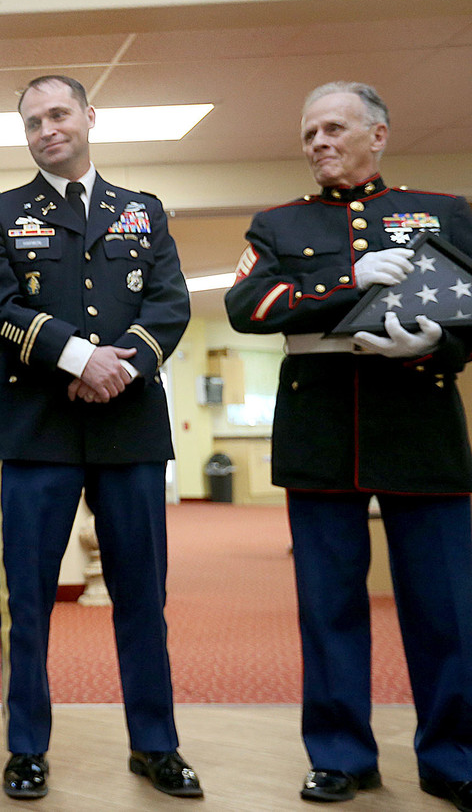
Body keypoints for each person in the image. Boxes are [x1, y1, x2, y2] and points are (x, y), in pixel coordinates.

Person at [225, 81, 472, 811]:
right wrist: (345, 279)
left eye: (335, 128)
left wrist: (438, 344)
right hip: (323, 435)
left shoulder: (446, 213)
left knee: (446, 609)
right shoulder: (277, 224)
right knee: (329, 606)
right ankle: (339, 756)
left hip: (422, 431)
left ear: (379, 134)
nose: (320, 143)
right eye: (309, 134)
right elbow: (250, 305)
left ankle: (453, 755)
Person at [0, 75, 199, 801]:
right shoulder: (0, 213)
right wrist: (77, 357)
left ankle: (156, 744)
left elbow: (170, 305)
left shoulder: (143, 211)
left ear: (90, 117)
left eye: (59, 113)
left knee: (140, 597)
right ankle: (26, 747)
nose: (47, 129)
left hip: (128, 432)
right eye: (33, 120)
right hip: (35, 432)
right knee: (27, 602)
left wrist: (114, 367)